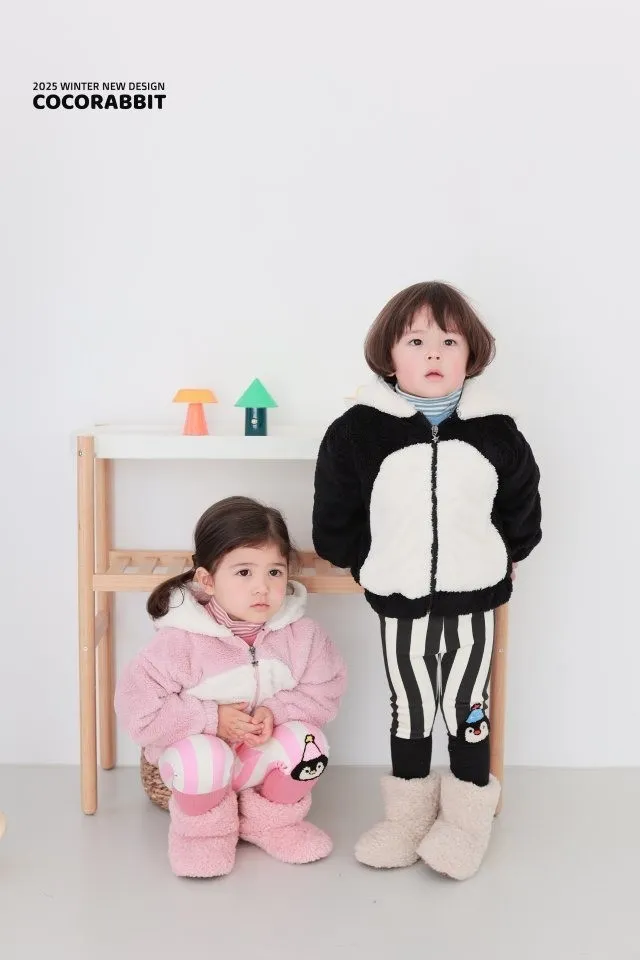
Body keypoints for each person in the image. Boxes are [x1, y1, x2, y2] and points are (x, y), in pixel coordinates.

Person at [312, 281, 541, 880]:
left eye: (449, 341)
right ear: (390, 356)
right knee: (410, 705)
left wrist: (509, 552)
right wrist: (359, 561)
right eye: (416, 341)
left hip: (475, 595)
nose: (434, 353)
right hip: (398, 595)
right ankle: (408, 818)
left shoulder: (496, 431)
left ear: (472, 356)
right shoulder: (359, 432)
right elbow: (336, 507)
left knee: (469, 704)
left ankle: (466, 819)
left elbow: (521, 503)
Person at [116, 496, 347, 878]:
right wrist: (212, 719)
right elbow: (138, 708)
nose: (262, 588)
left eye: (274, 572)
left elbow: (326, 689)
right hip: (201, 770)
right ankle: (202, 836)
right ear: (207, 580)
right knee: (202, 757)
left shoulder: (302, 637)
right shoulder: (180, 643)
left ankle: (273, 823)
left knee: (311, 745)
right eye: (244, 572)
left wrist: (276, 712)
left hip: (258, 764)